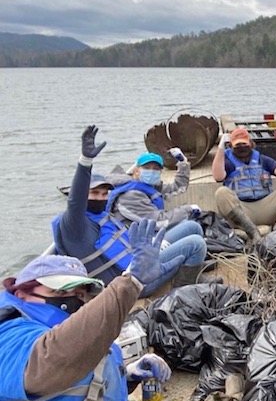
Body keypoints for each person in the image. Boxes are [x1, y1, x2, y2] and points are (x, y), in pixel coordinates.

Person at [0, 219, 173, 401]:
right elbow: (47, 362)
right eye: (60, 291)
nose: (71, 300)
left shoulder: (66, 331)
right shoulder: (8, 332)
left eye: (80, 294)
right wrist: (132, 282)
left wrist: (125, 375)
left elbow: (68, 388)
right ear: (22, 294)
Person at [52, 126, 215, 296]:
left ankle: (193, 275)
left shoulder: (102, 216)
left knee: (192, 227)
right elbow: (75, 201)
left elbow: (176, 187)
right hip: (129, 282)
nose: (100, 198)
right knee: (196, 243)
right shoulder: (75, 226)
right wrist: (85, 161)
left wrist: (183, 163)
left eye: (103, 193)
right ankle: (183, 293)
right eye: (93, 193)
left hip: (140, 259)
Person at [212, 127, 276, 241]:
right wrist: (220, 148)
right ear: (231, 146)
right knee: (221, 193)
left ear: (250, 143)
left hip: (265, 208)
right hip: (242, 212)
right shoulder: (228, 162)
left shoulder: (262, 160)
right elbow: (218, 176)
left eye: (244, 144)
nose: (241, 148)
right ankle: (253, 232)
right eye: (237, 145)